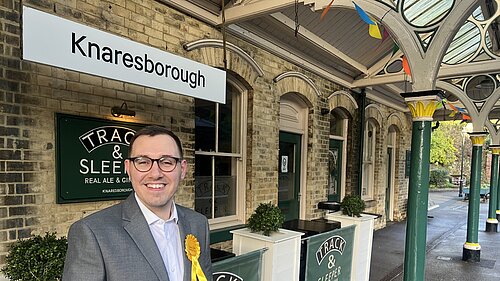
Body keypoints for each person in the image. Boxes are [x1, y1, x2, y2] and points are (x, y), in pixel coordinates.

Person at [63, 125, 213, 281]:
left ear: (182, 169)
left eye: (167, 162)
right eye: (143, 162)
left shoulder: (198, 223)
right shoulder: (92, 232)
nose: (155, 174)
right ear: (128, 168)